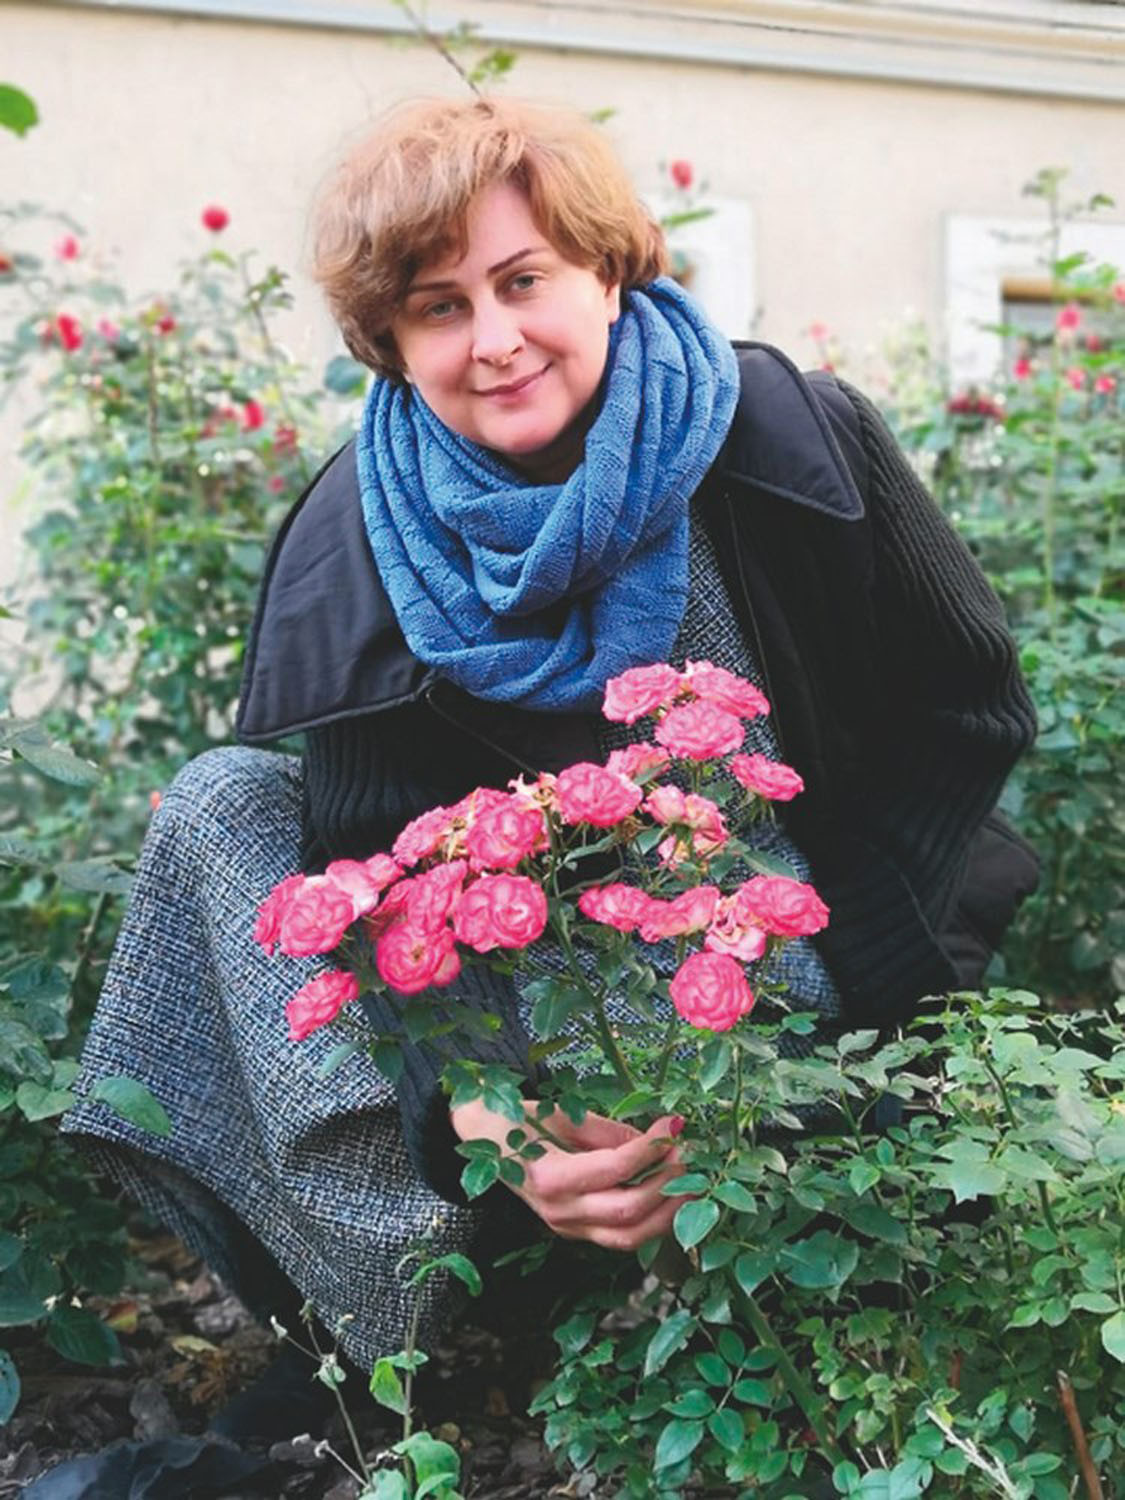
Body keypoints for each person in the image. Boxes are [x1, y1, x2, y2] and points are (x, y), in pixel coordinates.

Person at [63, 95, 1039, 1435]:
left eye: (523, 280)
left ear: (605, 271)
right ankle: (380, 1329)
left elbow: (963, 707)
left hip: (794, 937)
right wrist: (483, 1110)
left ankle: (730, 1264)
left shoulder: (788, 438)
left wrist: (860, 969)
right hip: (534, 976)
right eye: (439, 307)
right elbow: (371, 859)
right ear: (391, 341)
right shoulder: (362, 538)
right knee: (222, 808)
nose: (495, 339)